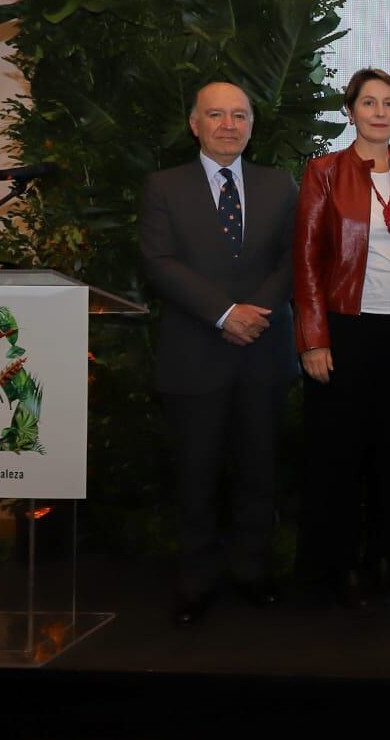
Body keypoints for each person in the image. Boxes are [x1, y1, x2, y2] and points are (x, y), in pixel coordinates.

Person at [140, 81, 298, 626]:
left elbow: (293, 260)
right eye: (216, 115)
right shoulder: (164, 187)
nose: (228, 125)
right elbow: (158, 263)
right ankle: (196, 581)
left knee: (259, 471)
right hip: (195, 354)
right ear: (195, 124)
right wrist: (225, 313)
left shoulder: (280, 185)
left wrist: (253, 313)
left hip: (264, 352)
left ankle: (252, 571)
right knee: (196, 475)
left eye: (239, 115)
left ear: (252, 125)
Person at [293, 68, 390, 608]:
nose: (380, 112)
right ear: (350, 111)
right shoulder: (324, 171)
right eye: (369, 102)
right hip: (342, 330)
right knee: (340, 456)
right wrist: (313, 338)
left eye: (389, 103)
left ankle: (388, 558)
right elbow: (307, 261)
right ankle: (342, 564)